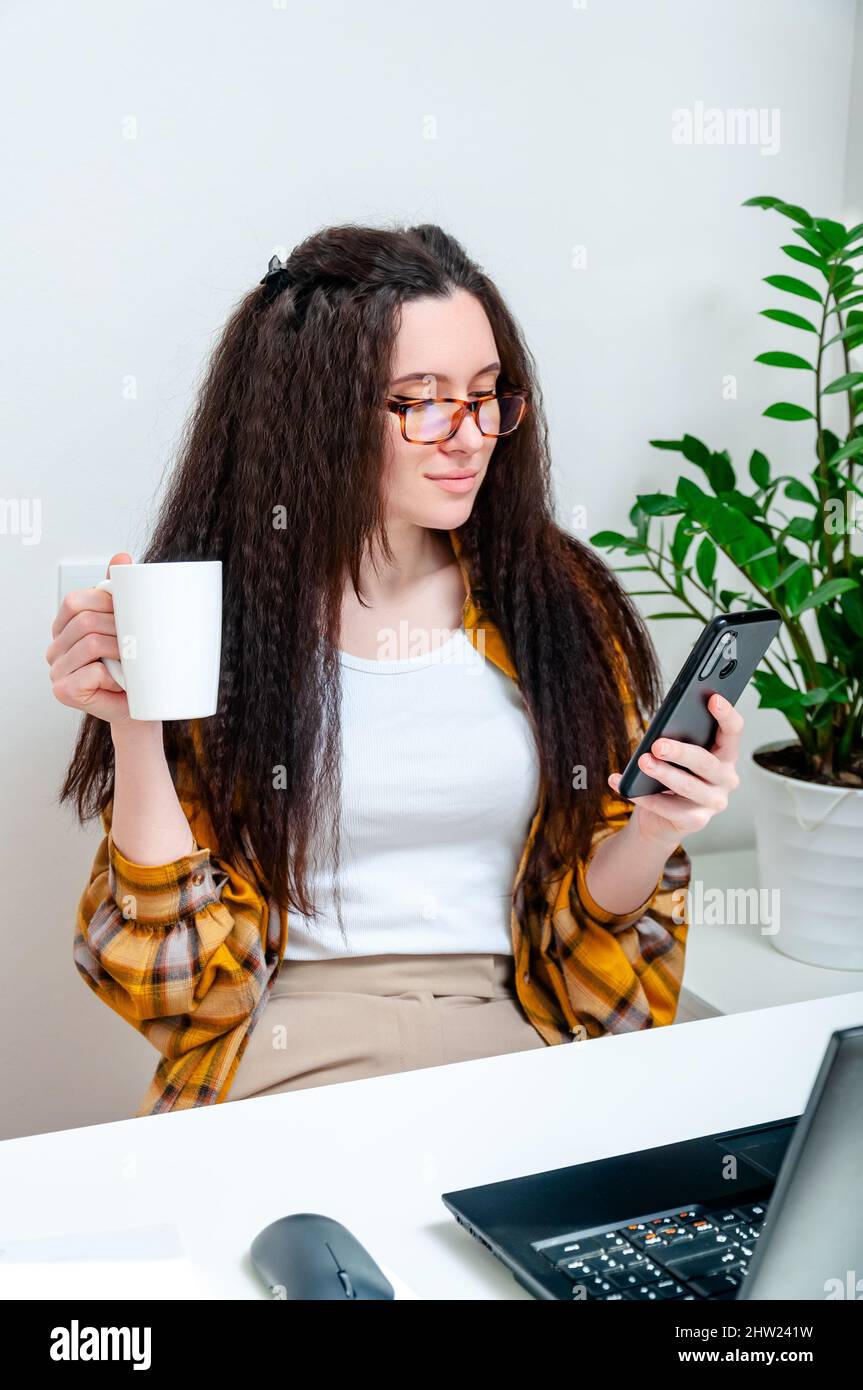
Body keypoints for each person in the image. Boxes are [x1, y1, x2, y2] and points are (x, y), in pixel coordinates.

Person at [47, 223, 741, 1118]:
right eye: (421, 401)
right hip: (281, 1051)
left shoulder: (554, 601)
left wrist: (651, 833)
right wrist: (131, 722)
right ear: (317, 412)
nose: (469, 437)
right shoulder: (209, 620)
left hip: (514, 1039)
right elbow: (183, 993)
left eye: (488, 397)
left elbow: (588, 947)